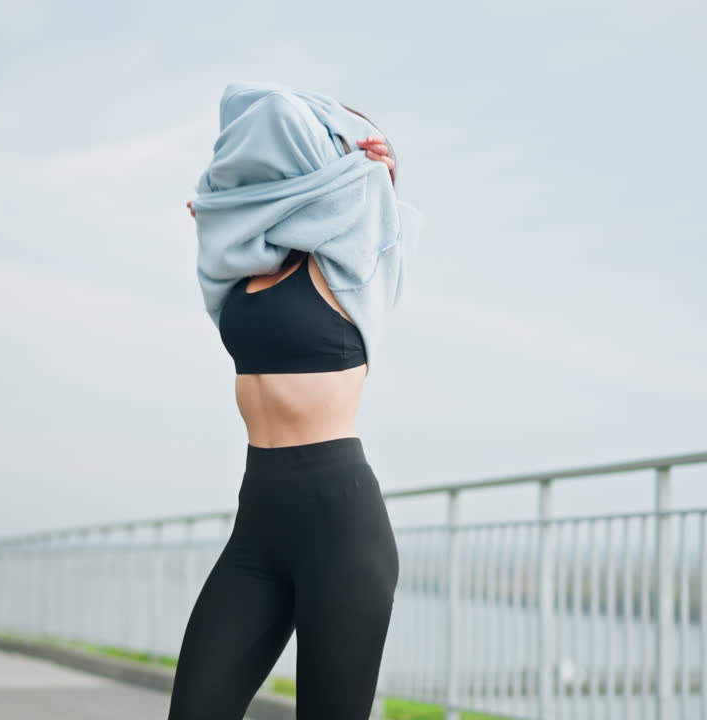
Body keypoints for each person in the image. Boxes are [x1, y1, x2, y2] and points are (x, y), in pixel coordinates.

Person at [166, 82, 420, 720]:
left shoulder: (350, 271)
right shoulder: (245, 271)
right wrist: (228, 208)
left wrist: (387, 173)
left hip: (340, 526)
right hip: (258, 525)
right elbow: (222, 230)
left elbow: (382, 222)